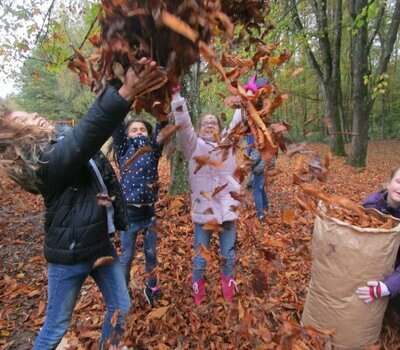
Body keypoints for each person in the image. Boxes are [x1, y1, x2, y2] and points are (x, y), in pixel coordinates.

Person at [0, 59, 166, 349]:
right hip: (70, 254)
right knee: (55, 327)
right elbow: (84, 137)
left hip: (100, 245)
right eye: (24, 120)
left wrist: (119, 78)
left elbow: (90, 131)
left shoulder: (60, 139)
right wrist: (125, 91)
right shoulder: (42, 164)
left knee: (120, 307)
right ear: (18, 140)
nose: (35, 115)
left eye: (30, 113)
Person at [170, 86, 243, 305]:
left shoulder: (227, 144)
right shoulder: (194, 146)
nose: (210, 125)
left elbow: (237, 123)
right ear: (200, 128)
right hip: (204, 212)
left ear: (219, 128)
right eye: (206, 123)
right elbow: (183, 125)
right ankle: (198, 284)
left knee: (228, 252)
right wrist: (176, 96)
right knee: (200, 256)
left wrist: (245, 100)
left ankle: (227, 281)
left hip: (227, 210)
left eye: (214, 122)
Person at [112, 116, 166, 306]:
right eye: (134, 129)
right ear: (126, 134)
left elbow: (162, 129)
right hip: (130, 215)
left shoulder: (152, 150)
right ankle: (121, 289)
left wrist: (162, 111)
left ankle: (152, 287)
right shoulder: (123, 150)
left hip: (149, 214)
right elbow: (116, 126)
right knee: (127, 256)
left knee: (151, 253)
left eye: (142, 129)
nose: (139, 132)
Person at [356, 166, 400, 303]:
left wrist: (388, 286)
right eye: (398, 182)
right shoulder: (371, 205)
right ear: (389, 182)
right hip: (366, 263)